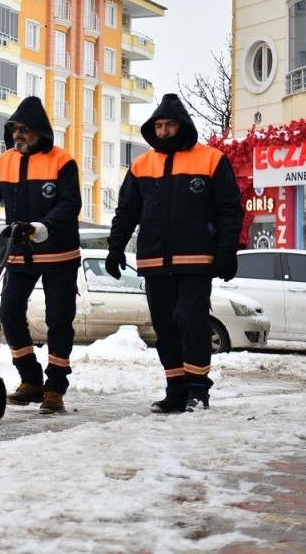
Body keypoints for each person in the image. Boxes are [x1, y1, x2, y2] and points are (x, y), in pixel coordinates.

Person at [106, 93, 244, 413]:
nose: (164, 130)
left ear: (182, 126)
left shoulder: (211, 159)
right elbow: (127, 211)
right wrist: (115, 248)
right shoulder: (142, 165)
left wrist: (227, 248)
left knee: (190, 319)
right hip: (154, 261)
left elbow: (229, 208)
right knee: (165, 326)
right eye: (159, 125)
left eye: (170, 124)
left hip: (196, 259)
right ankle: (176, 390)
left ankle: (198, 389)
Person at [0, 95, 82, 414]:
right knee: (9, 313)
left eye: (24, 129)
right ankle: (30, 380)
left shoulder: (62, 161)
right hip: (19, 254)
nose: (17, 135)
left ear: (39, 130)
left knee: (58, 320)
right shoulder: (4, 163)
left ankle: (55, 388)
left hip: (58, 255)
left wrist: (44, 225)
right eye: (13, 129)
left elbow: (70, 204)